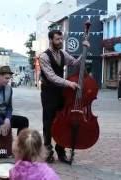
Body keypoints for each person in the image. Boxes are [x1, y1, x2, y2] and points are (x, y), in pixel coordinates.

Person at [39, 30, 90, 164]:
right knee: (48, 122)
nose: (60, 41)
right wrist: (69, 83)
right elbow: (51, 77)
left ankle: (60, 150)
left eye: (61, 39)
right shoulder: (43, 56)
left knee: (63, 121)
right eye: (57, 39)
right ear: (50, 40)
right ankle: (48, 151)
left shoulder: (63, 53)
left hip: (61, 92)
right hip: (48, 92)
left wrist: (84, 49)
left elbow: (75, 63)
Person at [0, 65, 29, 162]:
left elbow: (9, 107)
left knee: (24, 121)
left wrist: (7, 119)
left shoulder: (9, 88)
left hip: (3, 115)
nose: (8, 81)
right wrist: (1, 122)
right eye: (6, 78)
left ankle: (19, 148)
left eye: (9, 78)